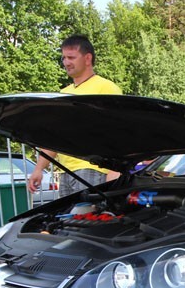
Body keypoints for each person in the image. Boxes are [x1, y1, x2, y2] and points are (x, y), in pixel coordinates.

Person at [27, 34, 122, 198]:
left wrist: (115, 170)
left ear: (87, 58)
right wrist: (38, 169)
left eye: (71, 57)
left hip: (93, 168)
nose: (66, 62)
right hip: (66, 171)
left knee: (90, 213)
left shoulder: (105, 88)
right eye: (63, 58)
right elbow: (55, 136)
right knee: (70, 215)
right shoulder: (63, 94)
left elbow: (119, 131)